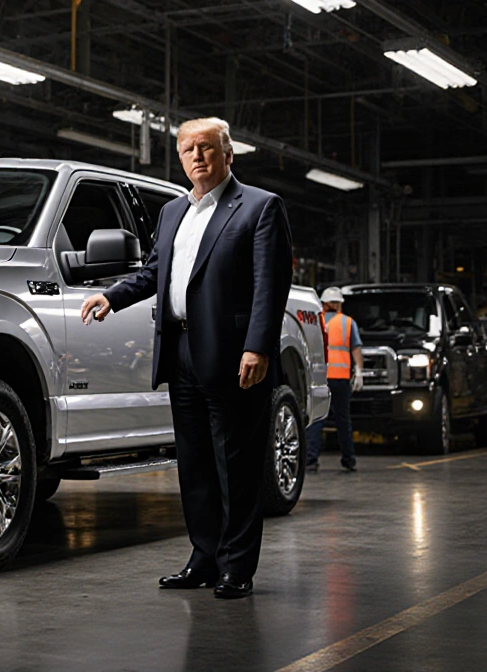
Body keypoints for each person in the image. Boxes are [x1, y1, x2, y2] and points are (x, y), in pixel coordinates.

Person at [80, 117, 293, 599]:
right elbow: (156, 272)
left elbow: (269, 285)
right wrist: (112, 296)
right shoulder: (174, 212)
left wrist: (257, 346)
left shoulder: (259, 207)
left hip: (234, 356)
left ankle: (237, 567)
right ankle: (204, 558)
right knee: (194, 464)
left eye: (206, 147)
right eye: (187, 149)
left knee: (234, 465)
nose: (196, 156)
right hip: (180, 352)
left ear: (228, 153)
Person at [306, 287, 362, 473]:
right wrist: (359, 372)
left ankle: (311, 460)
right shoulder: (348, 323)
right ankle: (349, 460)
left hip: (320, 377)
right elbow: (356, 349)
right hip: (341, 379)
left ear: (323, 304)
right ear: (338, 304)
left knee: (316, 419)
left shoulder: (314, 321)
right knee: (343, 420)